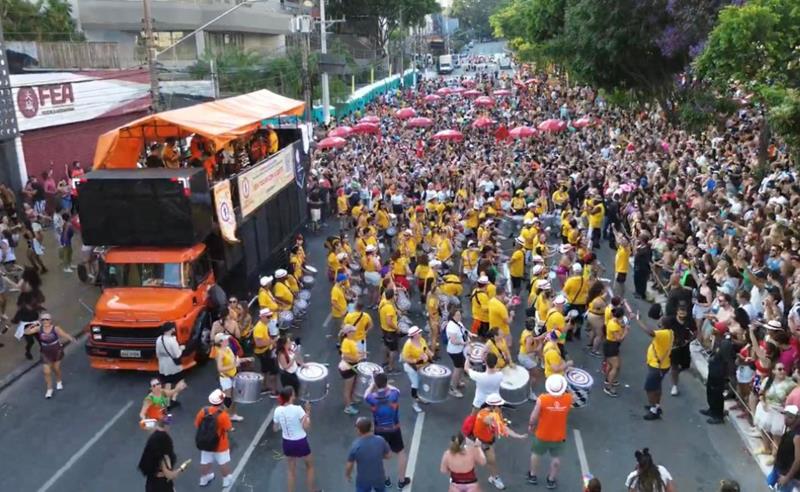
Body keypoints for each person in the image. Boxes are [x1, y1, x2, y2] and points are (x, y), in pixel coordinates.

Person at [470, 393, 527, 490]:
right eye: (499, 405)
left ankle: (494, 478)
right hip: (476, 441)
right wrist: (496, 420)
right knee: (472, 462)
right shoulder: (483, 414)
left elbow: (503, 427)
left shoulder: (497, 413)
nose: (501, 407)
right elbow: (492, 422)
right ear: (492, 406)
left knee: (491, 460)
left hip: (488, 441)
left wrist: (518, 436)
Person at [364, 372, 411, 490]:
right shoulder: (394, 394)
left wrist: (371, 384)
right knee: (401, 453)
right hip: (394, 429)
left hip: (380, 431)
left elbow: (365, 395)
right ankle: (401, 480)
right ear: (386, 382)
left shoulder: (372, 398)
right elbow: (395, 389)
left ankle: (386, 480)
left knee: (382, 456)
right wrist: (386, 384)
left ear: (376, 384)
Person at [527, 374, 573, 488]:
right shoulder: (568, 398)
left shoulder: (542, 399)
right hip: (559, 436)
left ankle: (533, 475)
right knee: (556, 459)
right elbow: (575, 397)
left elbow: (533, 417)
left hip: (542, 434)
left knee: (536, 454)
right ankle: (551, 480)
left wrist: (531, 425)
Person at [273, 386, 321, 492]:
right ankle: (311, 490)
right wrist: (307, 412)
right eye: (293, 394)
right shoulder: (298, 409)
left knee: (291, 470)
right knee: (310, 466)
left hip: (287, 442)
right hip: (300, 442)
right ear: (291, 397)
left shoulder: (278, 410)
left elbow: (275, 428)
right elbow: (306, 426)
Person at [634, 305, 674, 421]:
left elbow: (650, 332)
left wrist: (638, 320)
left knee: (649, 388)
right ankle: (656, 405)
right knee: (657, 386)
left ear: (664, 325)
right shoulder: (669, 332)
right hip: (662, 365)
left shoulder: (663, 334)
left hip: (657, 366)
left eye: (661, 321)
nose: (659, 320)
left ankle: (653, 410)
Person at [24, 312, 75, 398]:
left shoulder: (55, 328)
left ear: (50, 320)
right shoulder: (39, 328)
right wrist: (32, 325)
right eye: (43, 319)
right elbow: (27, 332)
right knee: (46, 371)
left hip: (56, 351)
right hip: (45, 352)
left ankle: (59, 380)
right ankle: (49, 389)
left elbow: (64, 334)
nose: (45, 321)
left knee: (56, 368)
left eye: (47, 319)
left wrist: (71, 339)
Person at [138, 415, 190, 492]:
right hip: (163, 486)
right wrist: (182, 468)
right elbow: (170, 475)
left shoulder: (151, 449)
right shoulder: (164, 457)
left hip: (151, 485)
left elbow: (146, 425)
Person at [195, 389, 234, 488]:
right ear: (221, 402)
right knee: (223, 462)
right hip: (220, 445)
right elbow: (228, 428)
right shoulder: (223, 415)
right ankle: (226, 480)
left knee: (205, 461)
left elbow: (197, 424)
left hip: (205, 442)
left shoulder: (203, 411)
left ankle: (204, 478)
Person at [345, 417, 391, 492]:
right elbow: (388, 456)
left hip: (363, 480)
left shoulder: (356, 446)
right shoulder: (380, 440)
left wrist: (348, 475)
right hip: (379, 477)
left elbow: (349, 465)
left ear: (358, 430)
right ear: (371, 427)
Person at [701, 322, 734, 424]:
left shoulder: (726, 344)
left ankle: (718, 415)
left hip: (719, 373)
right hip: (713, 370)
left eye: (715, 329)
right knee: (710, 391)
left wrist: (727, 376)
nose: (713, 330)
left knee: (717, 394)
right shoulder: (718, 340)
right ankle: (712, 409)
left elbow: (727, 361)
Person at [213, 333, 245, 422]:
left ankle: (232, 414)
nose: (227, 340)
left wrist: (242, 360)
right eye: (225, 340)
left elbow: (233, 360)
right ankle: (223, 419)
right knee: (228, 399)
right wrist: (234, 365)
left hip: (233, 375)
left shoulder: (228, 348)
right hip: (226, 378)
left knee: (234, 397)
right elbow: (220, 368)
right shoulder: (220, 353)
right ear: (220, 342)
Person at [401, 325, 432, 413]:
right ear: (414, 335)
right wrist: (416, 360)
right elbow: (405, 358)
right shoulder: (408, 345)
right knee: (415, 385)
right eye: (419, 333)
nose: (420, 333)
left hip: (422, 366)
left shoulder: (421, 340)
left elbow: (426, 349)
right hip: (412, 368)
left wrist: (430, 354)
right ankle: (414, 404)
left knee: (422, 382)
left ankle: (420, 397)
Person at [155, 322, 185, 408]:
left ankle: (166, 403)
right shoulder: (172, 340)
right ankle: (174, 398)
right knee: (181, 381)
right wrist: (181, 348)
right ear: (171, 329)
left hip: (163, 365)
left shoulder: (159, 339)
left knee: (167, 383)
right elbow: (177, 354)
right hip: (173, 365)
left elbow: (157, 354)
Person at [770, 405, 800, 491]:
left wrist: (787, 477)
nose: (786, 418)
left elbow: (798, 460)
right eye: (786, 415)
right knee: (771, 483)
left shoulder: (797, 436)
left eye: (790, 417)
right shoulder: (789, 428)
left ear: (797, 418)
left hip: (788, 474)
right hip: (779, 467)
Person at [340, 324, 366, 415]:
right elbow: (345, 356)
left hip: (353, 366)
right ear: (348, 333)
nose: (355, 332)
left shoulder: (351, 341)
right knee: (348, 389)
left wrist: (361, 354)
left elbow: (354, 352)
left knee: (352, 386)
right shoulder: (346, 342)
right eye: (353, 331)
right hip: (348, 368)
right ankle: (347, 407)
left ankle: (350, 401)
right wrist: (357, 359)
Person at [252, 308, 279, 397]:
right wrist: (272, 341)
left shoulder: (264, 325)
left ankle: (264, 388)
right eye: (268, 317)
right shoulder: (259, 328)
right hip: (263, 352)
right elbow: (258, 343)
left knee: (265, 370)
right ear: (262, 317)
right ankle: (273, 391)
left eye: (270, 316)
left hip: (266, 351)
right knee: (273, 371)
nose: (270, 318)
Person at [603, 306, 628, 398]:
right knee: (615, 366)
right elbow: (619, 339)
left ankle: (608, 379)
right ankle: (609, 387)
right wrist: (626, 331)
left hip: (611, 345)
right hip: (611, 346)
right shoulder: (614, 325)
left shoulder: (613, 321)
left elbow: (619, 326)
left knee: (611, 365)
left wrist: (623, 326)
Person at [446, 306, 470, 398]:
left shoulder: (458, 322)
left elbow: (464, 330)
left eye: (460, 314)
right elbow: (453, 341)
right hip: (454, 351)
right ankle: (453, 388)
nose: (459, 316)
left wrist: (469, 333)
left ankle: (458, 382)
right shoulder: (451, 326)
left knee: (460, 366)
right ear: (452, 316)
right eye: (457, 315)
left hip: (459, 350)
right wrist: (464, 343)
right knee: (458, 368)